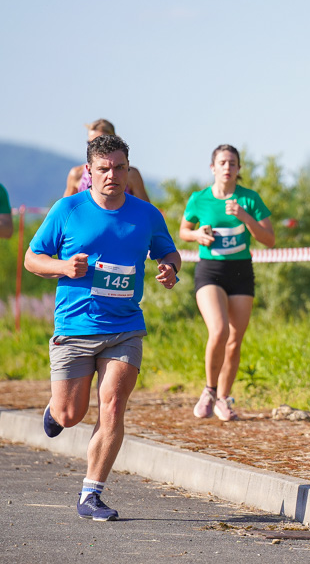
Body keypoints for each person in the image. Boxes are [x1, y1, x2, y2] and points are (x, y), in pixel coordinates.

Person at [25, 134, 180, 521]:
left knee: (112, 405)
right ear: (90, 173)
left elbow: (168, 250)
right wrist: (62, 267)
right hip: (75, 327)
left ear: (129, 170)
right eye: (104, 169)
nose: (113, 175)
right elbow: (32, 258)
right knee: (71, 414)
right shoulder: (68, 210)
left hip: (125, 326)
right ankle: (55, 410)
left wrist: (170, 268)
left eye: (120, 167)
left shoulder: (147, 214)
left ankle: (91, 494)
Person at [179, 145, 274, 422]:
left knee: (234, 341)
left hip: (241, 272)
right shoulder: (199, 199)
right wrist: (197, 235)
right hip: (210, 272)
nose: (227, 167)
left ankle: (223, 398)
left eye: (232, 163)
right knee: (219, 330)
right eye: (222, 162)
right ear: (213, 168)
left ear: (239, 169)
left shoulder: (249, 199)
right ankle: (209, 390)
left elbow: (269, 239)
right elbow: (183, 231)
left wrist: (244, 217)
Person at [64, 119, 150, 202]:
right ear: (89, 169)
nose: (95, 146)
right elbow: (65, 210)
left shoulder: (131, 174)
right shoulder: (77, 174)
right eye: (90, 143)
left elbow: (147, 211)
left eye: (101, 141)